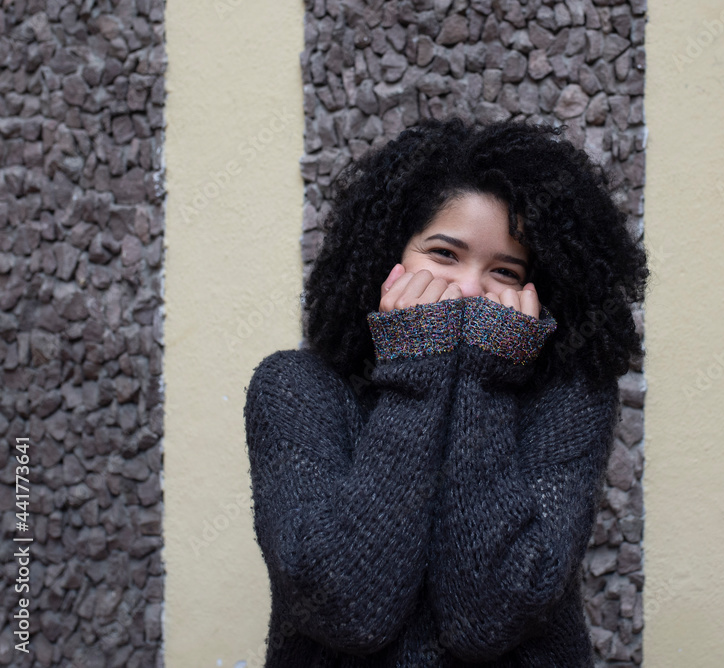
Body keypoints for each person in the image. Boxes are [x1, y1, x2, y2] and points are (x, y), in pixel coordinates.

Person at [243, 117, 647, 667]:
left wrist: (484, 381)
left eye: (505, 269)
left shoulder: (569, 400)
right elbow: (348, 610)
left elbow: (488, 618)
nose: (470, 288)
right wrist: (416, 371)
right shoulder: (295, 390)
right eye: (444, 254)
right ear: (388, 254)